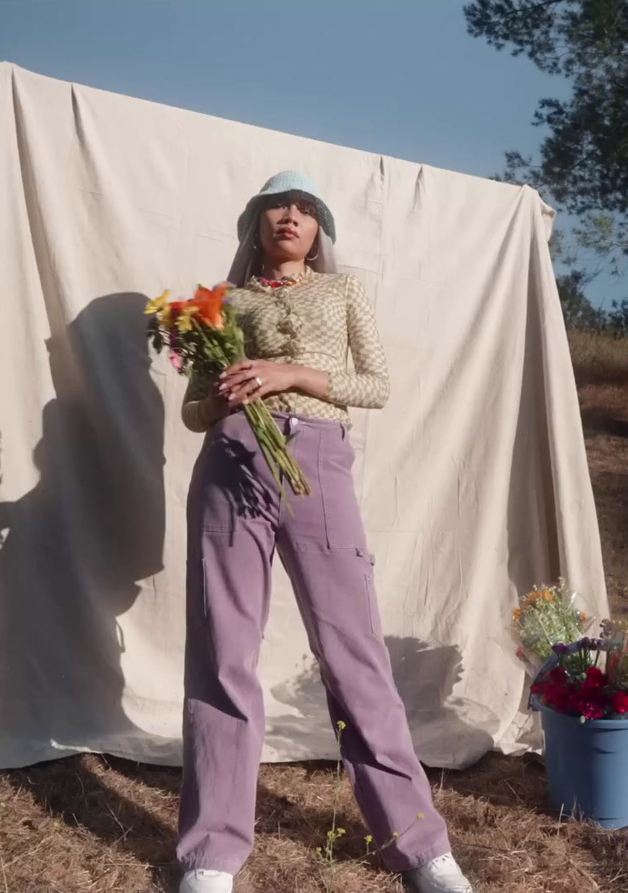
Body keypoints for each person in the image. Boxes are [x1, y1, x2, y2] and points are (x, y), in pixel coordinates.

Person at [176, 171, 475, 893]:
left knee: (354, 653)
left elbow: (377, 384)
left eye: (306, 209)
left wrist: (292, 373)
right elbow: (191, 412)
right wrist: (219, 395)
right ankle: (212, 854)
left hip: (317, 456)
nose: (291, 215)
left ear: (320, 230)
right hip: (232, 457)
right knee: (224, 650)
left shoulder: (343, 293)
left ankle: (419, 846)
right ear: (255, 222)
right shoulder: (222, 305)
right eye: (278, 205)